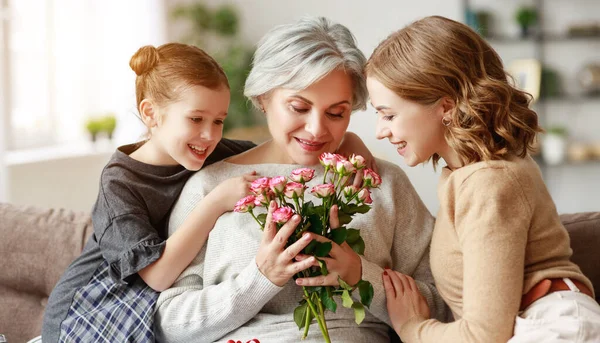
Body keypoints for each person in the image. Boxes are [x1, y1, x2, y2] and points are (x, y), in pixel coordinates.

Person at [40, 41, 375, 343]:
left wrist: (355, 146)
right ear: (150, 114)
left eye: (218, 121)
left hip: (154, 302)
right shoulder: (120, 183)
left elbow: (279, 150)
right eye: (196, 118)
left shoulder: (208, 151)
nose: (209, 134)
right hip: (96, 307)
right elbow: (156, 276)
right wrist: (215, 201)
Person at [155, 17, 449, 343]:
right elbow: (170, 325)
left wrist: (360, 275)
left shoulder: (380, 182)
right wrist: (259, 279)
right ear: (263, 98)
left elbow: (444, 306)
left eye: (336, 113)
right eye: (298, 107)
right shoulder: (213, 188)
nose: (316, 130)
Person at [366, 15, 600, 343]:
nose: (380, 131)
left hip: (555, 329)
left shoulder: (489, 183)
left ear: (445, 106)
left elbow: (484, 334)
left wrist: (412, 328)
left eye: (388, 115)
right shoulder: (471, 174)